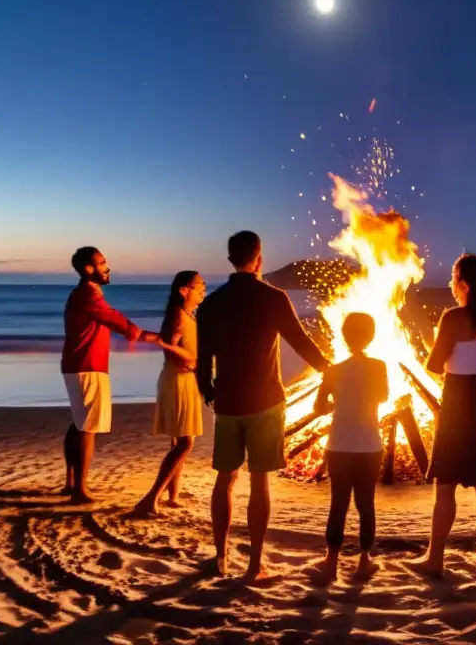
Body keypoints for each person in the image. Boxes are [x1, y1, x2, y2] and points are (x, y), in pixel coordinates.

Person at [197, 231, 330, 581]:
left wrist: (207, 390)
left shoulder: (211, 304)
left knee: (225, 479)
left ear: (230, 259)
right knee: (259, 481)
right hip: (266, 400)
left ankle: (221, 557)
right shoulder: (273, 298)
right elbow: (300, 342)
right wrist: (331, 371)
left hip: (228, 401)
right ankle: (255, 565)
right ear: (259, 258)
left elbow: (202, 358)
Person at [408, 254, 476, 578]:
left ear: (465, 283)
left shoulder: (453, 317)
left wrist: (431, 339)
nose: (451, 285)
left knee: (446, 483)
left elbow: (433, 364)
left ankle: (434, 559)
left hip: (459, 398)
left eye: (454, 279)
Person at [61, 247, 161, 504]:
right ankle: (79, 490)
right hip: (87, 366)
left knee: (78, 423)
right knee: (88, 427)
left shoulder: (86, 294)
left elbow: (108, 319)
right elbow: (115, 319)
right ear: (88, 269)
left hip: (78, 364)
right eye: (102, 263)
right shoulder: (87, 295)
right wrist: (147, 336)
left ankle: (71, 482)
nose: (107, 267)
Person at [311, 312, 389, 583]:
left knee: (338, 502)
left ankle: (331, 560)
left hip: (340, 444)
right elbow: (383, 396)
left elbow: (319, 408)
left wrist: (335, 402)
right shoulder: (379, 366)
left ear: (343, 336)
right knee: (365, 503)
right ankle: (364, 561)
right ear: (371, 336)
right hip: (369, 444)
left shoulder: (333, 370)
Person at [133, 271, 208, 517]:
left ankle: (172, 496)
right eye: (199, 285)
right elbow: (170, 350)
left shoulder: (189, 315)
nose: (203, 289)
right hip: (177, 379)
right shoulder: (178, 314)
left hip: (185, 380)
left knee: (179, 441)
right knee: (185, 442)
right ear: (184, 290)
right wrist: (194, 360)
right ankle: (150, 499)